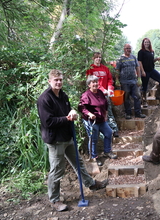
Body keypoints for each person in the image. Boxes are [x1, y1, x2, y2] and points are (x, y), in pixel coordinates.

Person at [37, 69, 107, 212]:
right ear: (49, 81)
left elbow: (68, 112)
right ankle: (54, 200)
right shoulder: (44, 99)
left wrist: (72, 113)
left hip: (68, 136)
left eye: (60, 79)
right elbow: (47, 122)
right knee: (57, 169)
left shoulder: (63, 95)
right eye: (56, 80)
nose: (58, 82)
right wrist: (66, 118)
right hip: (55, 140)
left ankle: (90, 183)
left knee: (78, 162)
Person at [78, 75, 118, 166]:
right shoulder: (86, 95)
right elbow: (81, 108)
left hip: (101, 119)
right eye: (93, 82)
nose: (95, 84)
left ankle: (107, 151)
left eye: (96, 82)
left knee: (108, 133)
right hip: (91, 121)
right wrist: (89, 114)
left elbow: (106, 104)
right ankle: (94, 157)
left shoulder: (100, 92)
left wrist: (106, 115)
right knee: (93, 139)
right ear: (89, 85)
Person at [86, 52, 119, 137]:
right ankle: (101, 133)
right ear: (93, 58)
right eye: (96, 57)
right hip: (95, 95)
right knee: (98, 113)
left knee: (109, 111)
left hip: (105, 94)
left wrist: (110, 89)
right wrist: (102, 89)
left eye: (100, 57)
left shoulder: (105, 68)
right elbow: (90, 82)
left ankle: (114, 129)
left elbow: (110, 80)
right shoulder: (90, 69)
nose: (98, 59)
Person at [115, 44, 146, 119]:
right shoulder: (120, 59)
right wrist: (117, 80)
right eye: (127, 48)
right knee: (126, 98)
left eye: (129, 48)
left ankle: (138, 113)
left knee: (137, 96)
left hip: (134, 81)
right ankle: (128, 113)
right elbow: (117, 70)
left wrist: (139, 78)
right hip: (124, 81)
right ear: (124, 49)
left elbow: (137, 67)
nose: (128, 50)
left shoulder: (133, 57)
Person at [138, 37, 160, 107]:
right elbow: (140, 62)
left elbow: (151, 61)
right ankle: (144, 101)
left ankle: (157, 95)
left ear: (149, 43)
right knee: (144, 87)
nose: (146, 43)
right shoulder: (141, 52)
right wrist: (142, 71)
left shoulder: (152, 51)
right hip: (145, 71)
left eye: (148, 42)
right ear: (143, 43)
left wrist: (156, 59)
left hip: (151, 70)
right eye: (145, 42)